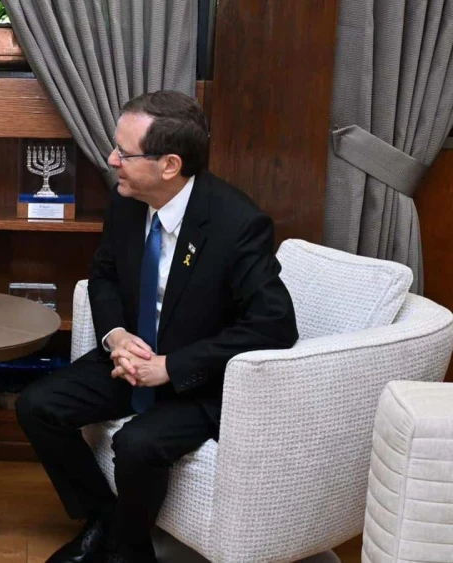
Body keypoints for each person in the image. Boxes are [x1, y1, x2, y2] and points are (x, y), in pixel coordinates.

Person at [15, 90, 298, 563]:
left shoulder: (237, 224)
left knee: (137, 444)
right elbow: (104, 275)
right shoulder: (128, 200)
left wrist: (172, 366)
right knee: (37, 405)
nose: (111, 160)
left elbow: (275, 325)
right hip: (132, 358)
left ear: (169, 164)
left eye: (124, 153)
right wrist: (116, 336)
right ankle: (104, 521)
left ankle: (126, 551)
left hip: (198, 380)